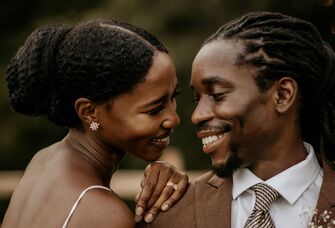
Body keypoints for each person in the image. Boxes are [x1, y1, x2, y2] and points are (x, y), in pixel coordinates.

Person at [137, 11, 335, 228]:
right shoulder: (169, 214)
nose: (196, 116)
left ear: (282, 94)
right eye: (197, 99)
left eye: (218, 94)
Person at [2, 18, 188, 228]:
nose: (174, 118)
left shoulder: (44, 160)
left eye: (174, 97)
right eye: (154, 110)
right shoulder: (105, 215)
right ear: (89, 112)